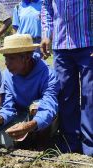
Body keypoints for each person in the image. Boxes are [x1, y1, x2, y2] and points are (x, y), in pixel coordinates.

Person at [0, 34, 59, 149]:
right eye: (6, 58)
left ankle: (42, 147)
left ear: (27, 58)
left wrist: (30, 125)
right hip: (20, 117)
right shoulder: (7, 76)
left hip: (41, 119)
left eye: (11, 58)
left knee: (37, 107)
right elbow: (8, 107)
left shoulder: (48, 74)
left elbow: (49, 106)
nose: (7, 63)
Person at [41, 0, 93, 155]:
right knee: (65, 95)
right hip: (61, 45)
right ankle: (71, 142)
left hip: (88, 43)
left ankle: (89, 145)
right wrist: (46, 34)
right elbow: (46, 7)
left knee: (90, 95)